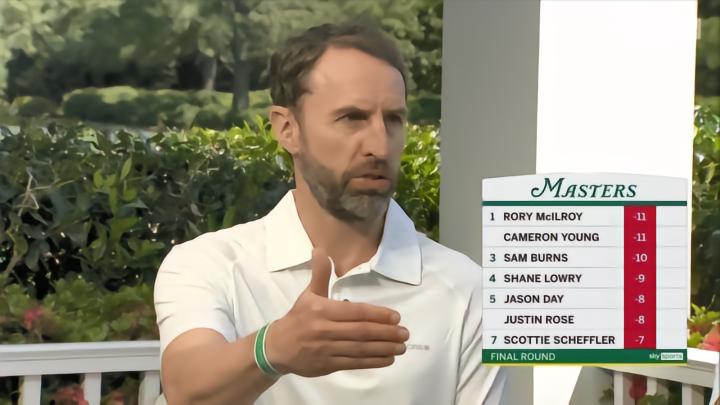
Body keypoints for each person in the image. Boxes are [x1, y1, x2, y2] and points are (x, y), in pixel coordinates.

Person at [154, 22, 507, 405]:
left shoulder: (468, 290)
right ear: (287, 129)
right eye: (352, 118)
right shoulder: (210, 265)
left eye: (394, 119)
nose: (379, 146)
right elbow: (185, 391)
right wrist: (272, 349)